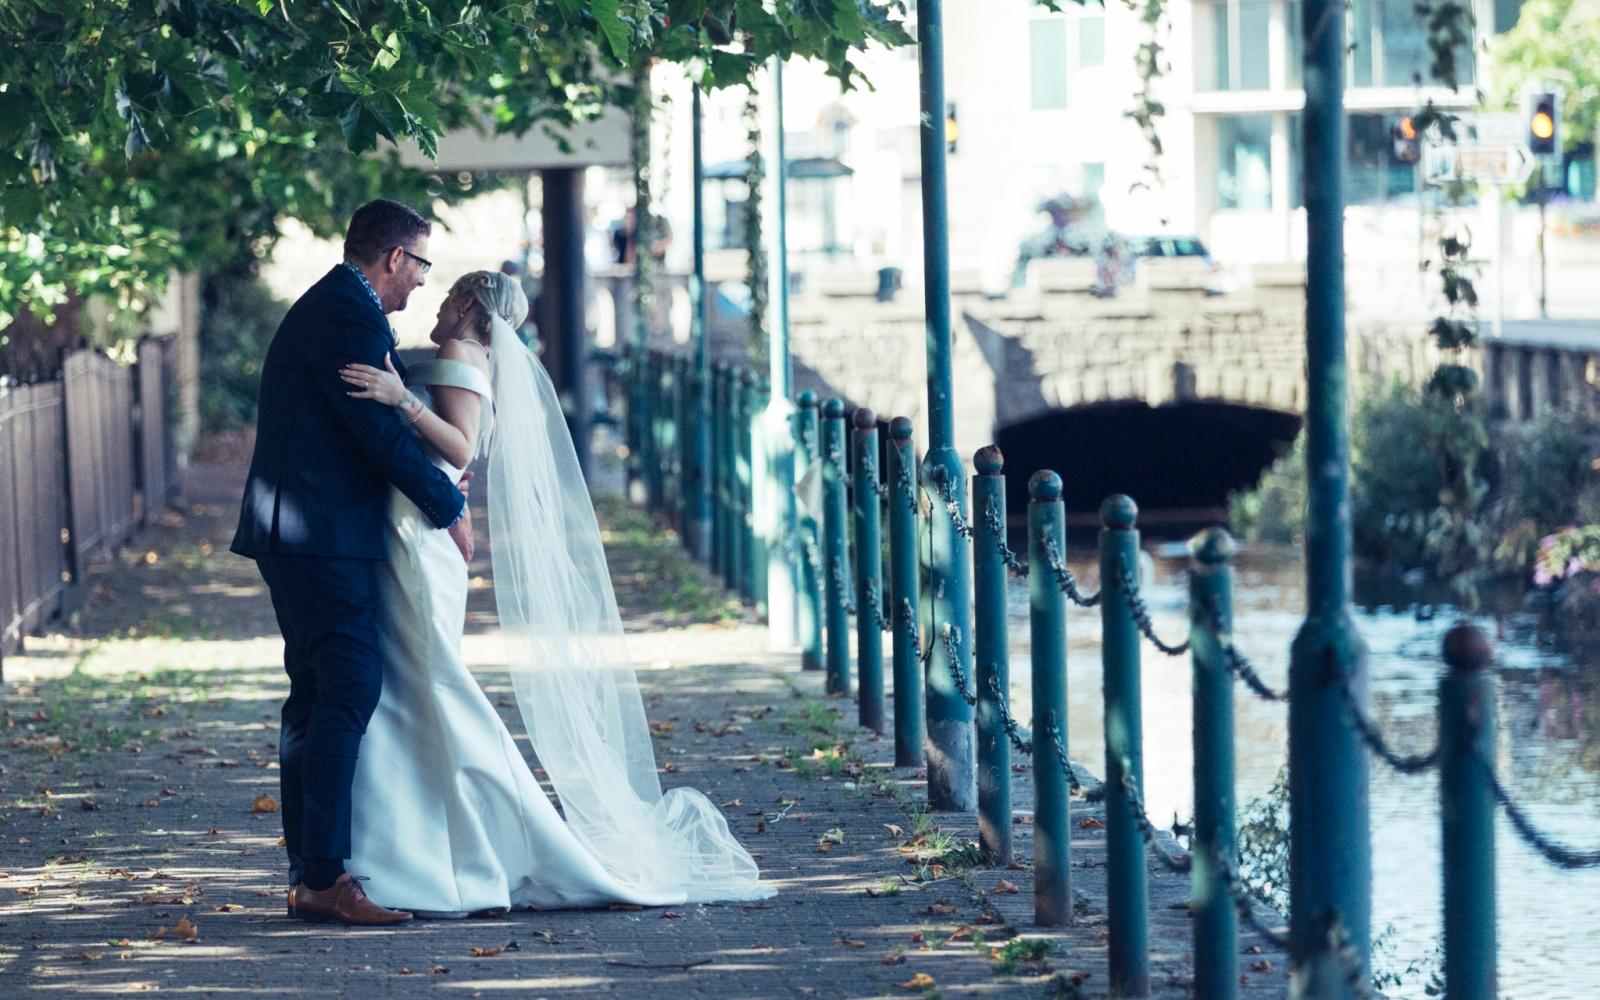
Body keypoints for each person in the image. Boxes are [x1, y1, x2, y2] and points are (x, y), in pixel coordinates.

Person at [333, 270, 774, 915]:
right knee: (413, 683)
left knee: (432, 680)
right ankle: (423, 846)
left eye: (448, 293)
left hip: (417, 531)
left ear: (466, 307)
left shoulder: (459, 353)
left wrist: (402, 397)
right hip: (418, 523)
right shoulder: (476, 355)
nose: (438, 301)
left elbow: (456, 444)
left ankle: (487, 835)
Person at [231, 199, 471, 926]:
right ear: (395, 257)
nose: (424, 283)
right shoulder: (347, 314)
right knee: (347, 689)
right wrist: (450, 506)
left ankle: (312, 874)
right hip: (318, 535)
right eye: (422, 264)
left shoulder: (342, 307)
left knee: (314, 698)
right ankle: (326, 877)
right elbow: (378, 435)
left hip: (305, 532)